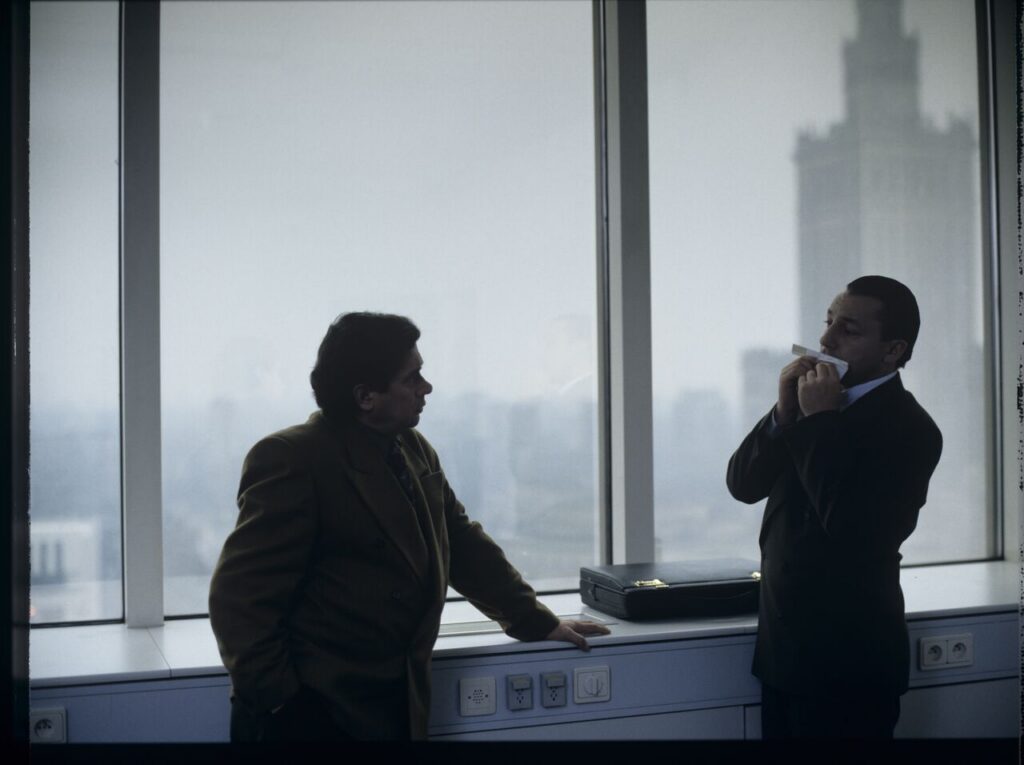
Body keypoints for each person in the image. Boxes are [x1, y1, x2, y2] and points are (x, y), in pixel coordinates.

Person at [209, 312, 609, 742]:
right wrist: (284, 704)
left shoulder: (411, 446)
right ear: (366, 396)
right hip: (313, 713)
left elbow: (461, 541)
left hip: (391, 704)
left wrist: (535, 620)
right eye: (412, 378)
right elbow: (239, 601)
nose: (427, 388)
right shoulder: (293, 459)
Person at [726, 275, 942, 738]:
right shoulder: (804, 407)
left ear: (892, 350)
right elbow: (742, 485)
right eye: (828, 323)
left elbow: (855, 533)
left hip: (851, 666)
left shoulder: (911, 429)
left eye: (848, 329)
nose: (825, 340)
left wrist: (820, 421)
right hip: (782, 658)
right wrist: (784, 417)